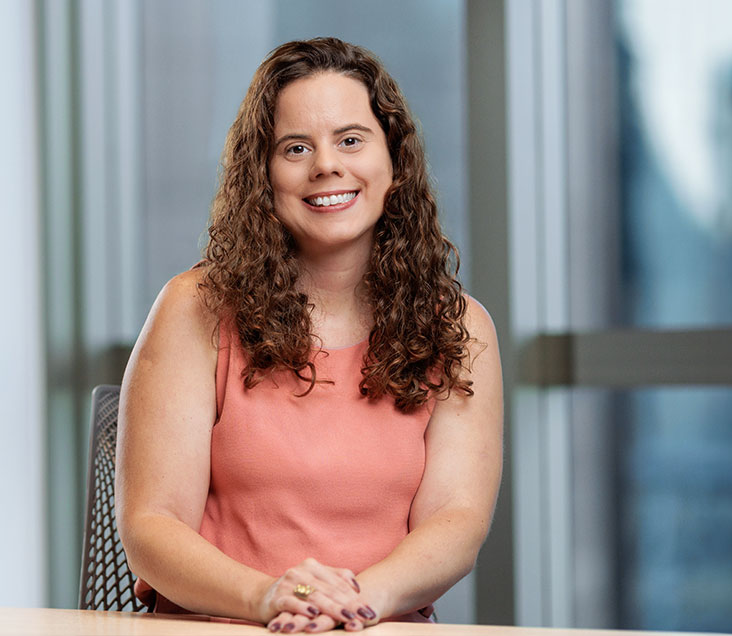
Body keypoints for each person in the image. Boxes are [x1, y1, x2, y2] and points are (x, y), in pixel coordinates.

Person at [115, 37, 503, 634]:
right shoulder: (194, 309)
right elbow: (151, 525)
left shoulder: (459, 327)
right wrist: (272, 596)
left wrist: (353, 604)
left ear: (393, 159)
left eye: (351, 139)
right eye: (296, 147)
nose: (327, 165)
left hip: (374, 623)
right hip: (223, 626)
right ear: (263, 174)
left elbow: (455, 522)